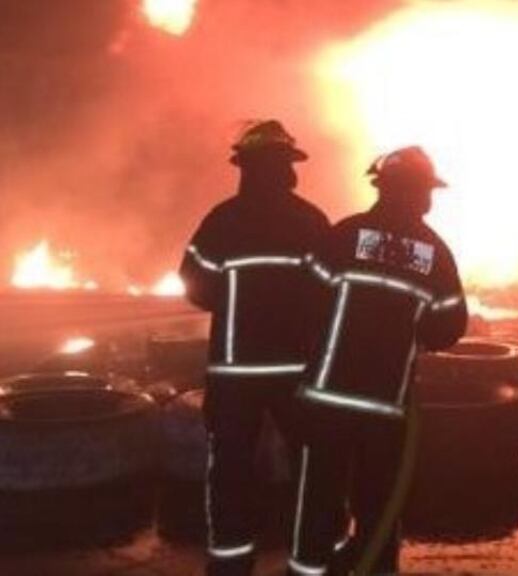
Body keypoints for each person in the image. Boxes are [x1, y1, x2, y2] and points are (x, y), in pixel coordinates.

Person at [287, 146, 468, 576]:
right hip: (385, 407)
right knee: (379, 509)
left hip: (328, 397)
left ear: (381, 187)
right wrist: (410, 331)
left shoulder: (345, 235)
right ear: (422, 194)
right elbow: (448, 327)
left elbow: (306, 299)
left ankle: (311, 571)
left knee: (316, 502)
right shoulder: (433, 253)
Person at [178, 120, 331, 576]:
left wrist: (232, 306)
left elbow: (194, 284)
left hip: (235, 370)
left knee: (230, 468)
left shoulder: (221, 220)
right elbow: (330, 291)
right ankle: (313, 557)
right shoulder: (311, 221)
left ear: (243, 167)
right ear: (288, 167)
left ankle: (230, 559)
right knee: (310, 464)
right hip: (297, 370)